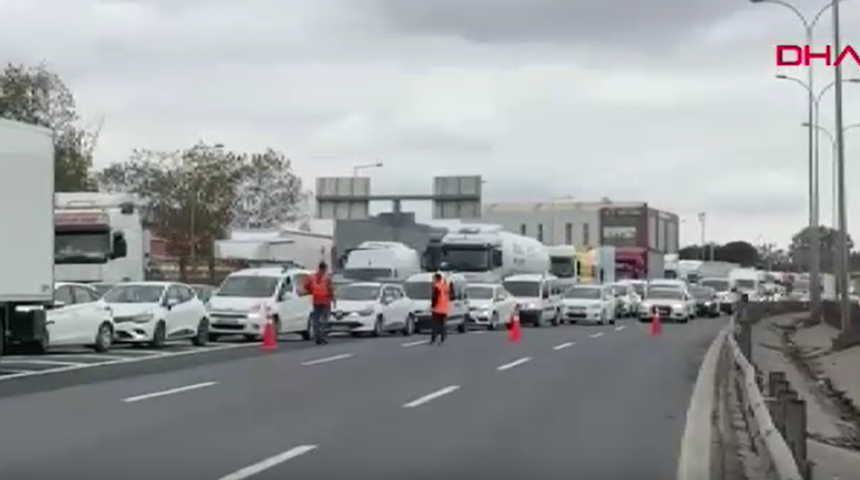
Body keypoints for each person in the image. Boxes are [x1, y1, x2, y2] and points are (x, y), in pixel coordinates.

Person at [304, 261, 335, 345]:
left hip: (316, 300)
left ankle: (317, 336)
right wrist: (333, 299)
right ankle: (322, 337)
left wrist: (311, 292)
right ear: (325, 268)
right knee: (324, 320)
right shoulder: (327, 278)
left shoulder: (312, 277)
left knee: (316, 320)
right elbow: (330, 289)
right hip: (325, 300)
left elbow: (306, 286)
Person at [429, 272, 449, 345]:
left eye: (433, 278)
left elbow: (435, 298)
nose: (432, 280)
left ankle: (433, 339)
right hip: (444, 308)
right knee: (442, 324)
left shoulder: (436, 286)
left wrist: (432, 306)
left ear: (437, 279)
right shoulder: (444, 286)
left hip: (437, 308)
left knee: (435, 325)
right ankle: (443, 338)